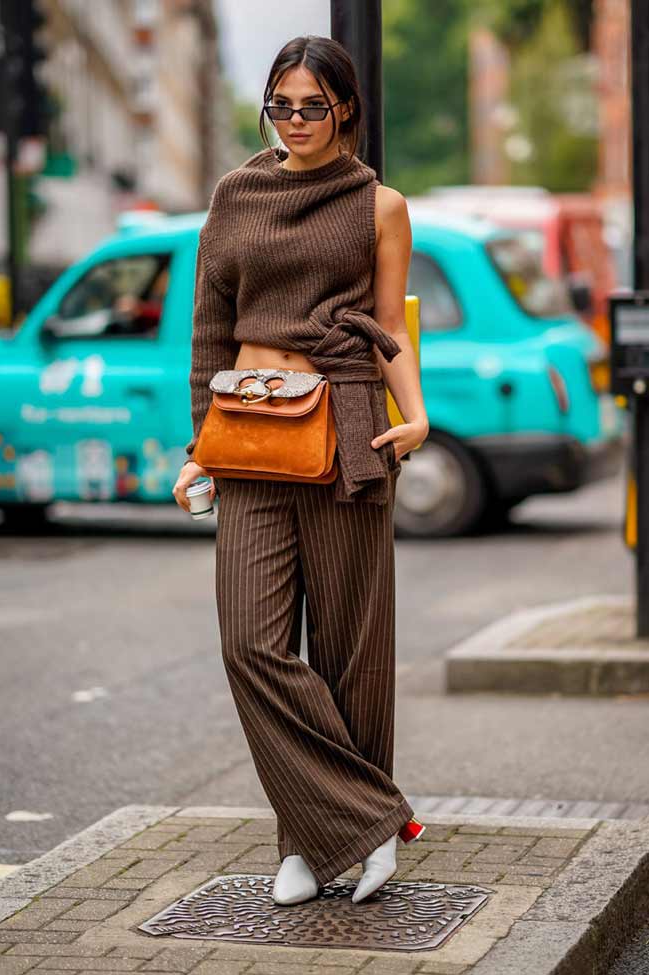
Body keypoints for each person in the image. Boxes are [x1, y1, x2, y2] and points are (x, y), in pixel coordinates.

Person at [173, 35, 429, 906]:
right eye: (280, 105)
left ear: (346, 109)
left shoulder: (379, 205)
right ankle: (367, 816)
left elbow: (387, 321)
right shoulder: (235, 195)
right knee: (250, 640)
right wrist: (195, 446)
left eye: (311, 106)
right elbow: (209, 325)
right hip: (248, 431)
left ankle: (313, 846)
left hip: (348, 423)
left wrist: (416, 413)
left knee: (354, 645)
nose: (294, 121)